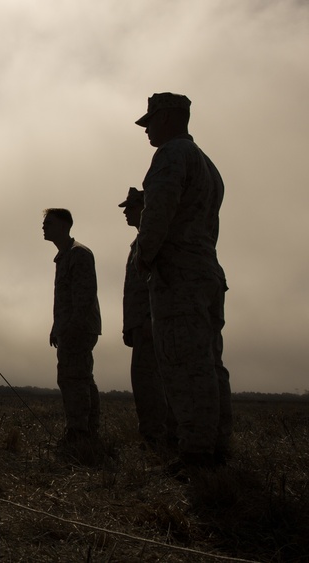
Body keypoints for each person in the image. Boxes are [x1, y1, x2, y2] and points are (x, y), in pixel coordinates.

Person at [134, 92, 232, 469]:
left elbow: (158, 211)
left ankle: (196, 452)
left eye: (152, 121)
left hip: (179, 276)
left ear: (171, 118)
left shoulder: (172, 155)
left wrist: (144, 256)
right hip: (206, 271)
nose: (147, 130)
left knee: (183, 360)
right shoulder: (208, 164)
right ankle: (216, 445)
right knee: (209, 361)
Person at [120, 187, 176, 450]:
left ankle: (157, 438)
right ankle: (154, 436)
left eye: (130, 207)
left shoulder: (156, 241)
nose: (126, 213)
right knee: (144, 384)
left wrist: (148, 319)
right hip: (141, 325)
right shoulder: (140, 243)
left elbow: (160, 283)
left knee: (150, 384)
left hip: (150, 325)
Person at [42, 208, 102, 451]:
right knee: (81, 378)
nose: (44, 227)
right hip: (69, 327)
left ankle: (79, 432)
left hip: (79, 328)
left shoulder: (79, 254)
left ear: (65, 226)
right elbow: (64, 299)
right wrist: (56, 327)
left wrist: (72, 328)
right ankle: (86, 431)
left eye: (49, 223)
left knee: (73, 378)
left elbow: (84, 297)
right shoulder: (63, 256)